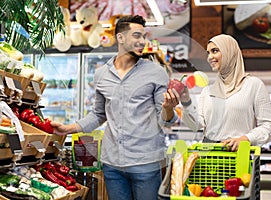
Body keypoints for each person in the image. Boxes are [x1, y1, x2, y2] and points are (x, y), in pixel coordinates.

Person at [51, 15, 177, 200]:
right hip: (112, 164)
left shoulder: (155, 72)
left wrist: (168, 109)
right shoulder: (101, 74)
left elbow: (165, 119)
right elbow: (98, 114)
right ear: (120, 38)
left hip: (146, 162)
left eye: (143, 36)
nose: (142, 41)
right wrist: (68, 128)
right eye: (136, 36)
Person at [163, 34, 271, 151]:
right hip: (209, 155)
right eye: (208, 53)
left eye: (215, 51)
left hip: (239, 155)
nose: (210, 57)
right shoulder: (207, 91)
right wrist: (186, 102)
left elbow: (269, 126)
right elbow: (196, 126)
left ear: (230, 52)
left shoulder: (253, 85)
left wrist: (246, 138)